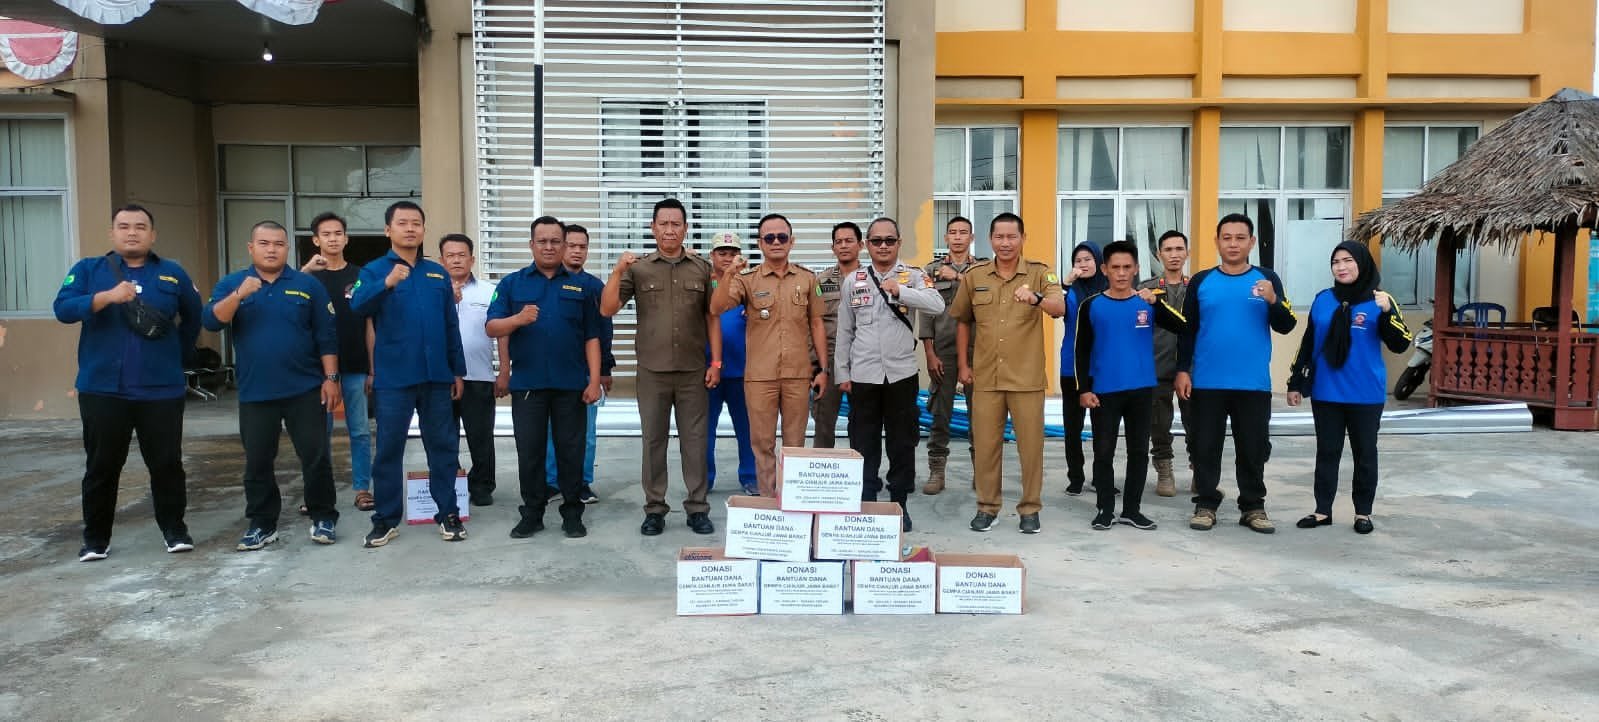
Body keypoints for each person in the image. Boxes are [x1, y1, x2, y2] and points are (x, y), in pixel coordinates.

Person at [54, 204, 202, 562]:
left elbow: (194, 316)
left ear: (153, 234)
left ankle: (175, 531)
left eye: (140, 226)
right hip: (103, 390)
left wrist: (175, 358)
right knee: (102, 467)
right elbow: (63, 309)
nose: (132, 232)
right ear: (112, 233)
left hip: (161, 391)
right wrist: (106, 297)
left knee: (166, 465)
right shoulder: (89, 270)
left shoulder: (172, 273)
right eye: (124, 226)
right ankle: (95, 540)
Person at [203, 221, 342, 549]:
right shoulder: (233, 283)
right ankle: (263, 523)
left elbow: (326, 335)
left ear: (287, 249)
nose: (271, 249)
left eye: (278, 244)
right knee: (258, 461)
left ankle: (323, 516)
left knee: (315, 456)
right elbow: (211, 320)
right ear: (251, 248)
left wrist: (331, 378)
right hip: (256, 392)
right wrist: (239, 295)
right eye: (264, 243)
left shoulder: (307, 285)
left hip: (305, 389)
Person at [350, 201, 469, 547]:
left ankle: (448, 514)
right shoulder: (374, 270)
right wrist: (386, 283)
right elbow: (357, 305)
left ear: (424, 230)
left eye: (416, 223)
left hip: (436, 378)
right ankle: (385, 519)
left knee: (443, 448)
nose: (410, 229)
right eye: (402, 223)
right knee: (389, 449)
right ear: (388, 230)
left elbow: (450, 326)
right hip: (394, 379)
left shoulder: (436, 274)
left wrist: (457, 371)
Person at [602, 198, 720, 537]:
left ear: (686, 228)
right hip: (652, 372)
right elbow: (607, 309)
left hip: (692, 371)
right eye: (663, 223)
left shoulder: (701, 268)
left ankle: (697, 508)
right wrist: (617, 271)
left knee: (695, 442)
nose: (670, 229)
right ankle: (654, 509)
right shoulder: (638, 269)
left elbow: (712, 316)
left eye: (676, 224)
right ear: (653, 228)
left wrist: (716, 361)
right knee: (654, 441)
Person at [1177, 213, 1297, 534]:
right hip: (1207, 381)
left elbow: (1286, 325)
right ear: (1217, 242)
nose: (1233, 244)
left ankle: (1253, 506)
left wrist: (1273, 300)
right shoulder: (1202, 281)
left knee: (1253, 448)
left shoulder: (1266, 279)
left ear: (1252, 242)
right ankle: (1206, 503)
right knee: (1205, 446)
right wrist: (1182, 370)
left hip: (1252, 383)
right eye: (1226, 238)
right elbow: (1187, 330)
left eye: (1240, 238)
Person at [487, 216, 604, 539]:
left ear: (564, 246)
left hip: (571, 385)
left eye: (555, 241)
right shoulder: (512, 284)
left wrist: (594, 380)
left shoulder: (582, 286)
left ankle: (572, 513)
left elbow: (592, 337)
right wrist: (517, 319)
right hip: (529, 385)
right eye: (543, 241)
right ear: (531, 245)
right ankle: (532, 513)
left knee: (571, 452)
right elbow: (492, 327)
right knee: (530, 453)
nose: (549, 247)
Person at [950, 213, 1064, 534]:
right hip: (986, 378)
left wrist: (1036, 298)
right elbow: (962, 320)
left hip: (1026, 378)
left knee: (1031, 448)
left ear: (1023, 239)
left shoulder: (1040, 273)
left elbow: (1059, 308)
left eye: (1012, 237)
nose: (1005, 243)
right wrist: (963, 366)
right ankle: (987, 507)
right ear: (990, 240)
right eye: (999, 237)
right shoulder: (975, 276)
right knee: (986, 447)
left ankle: (1030, 508)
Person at [1288, 241, 1411, 535]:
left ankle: (1362, 513)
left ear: (1362, 263)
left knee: (1365, 453)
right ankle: (1322, 511)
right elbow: (1308, 343)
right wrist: (1295, 382)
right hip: (1326, 391)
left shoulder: (1380, 300)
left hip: (1365, 393)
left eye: (1348, 261)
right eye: (1336, 262)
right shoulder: (1323, 299)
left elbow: (1401, 343)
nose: (1341, 267)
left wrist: (1387, 313)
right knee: (1327, 452)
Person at [834, 217, 943, 531]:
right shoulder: (853, 280)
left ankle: (899, 503)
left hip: (901, 375)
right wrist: (842, 372)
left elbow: (937, 304)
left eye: (889, 241)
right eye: (877, 241)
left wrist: (902, 292)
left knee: (902, 442)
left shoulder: (914, 275)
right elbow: (845, 331)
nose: (883, 246)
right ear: (867, 245)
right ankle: (867, 501)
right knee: (863, 442)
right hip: (863, 375)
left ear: (899, 243)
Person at [710, 213, 829, 498]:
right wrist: (730, 273)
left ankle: (792, 502)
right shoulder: (747, 280)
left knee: (795, 444)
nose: (776, 242)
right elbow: (716, 307)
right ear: (760, 243)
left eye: (782, 237)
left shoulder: (808, 279)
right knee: (762, 443)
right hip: (760, 377)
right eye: (770, 237)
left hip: (797, 375)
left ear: (791, 241)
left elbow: (816, 324)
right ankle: (767, 501)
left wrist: (823, 370)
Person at [1074, 241, 1187, 531]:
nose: (1122, 273)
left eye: (1127, 267)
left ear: (1136, 269)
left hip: (1142, 389)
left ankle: (1132, 510)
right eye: (1116, 267)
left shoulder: (1147, 302)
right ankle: (1104, 509)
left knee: (1138, 452)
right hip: (1104, 391)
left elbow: (1182, 326)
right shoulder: (1092, 305)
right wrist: (1084, 389)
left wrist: (1157, 303)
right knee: (1103, 452)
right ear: (1105, 269)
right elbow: (1081, 351)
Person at [300, 212, 376, 512]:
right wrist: (306, 269)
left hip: (356, 366)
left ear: (346, 238)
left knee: (360, 431)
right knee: (320, 435)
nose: (332, 239)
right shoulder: (308, 278)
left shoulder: (361, 276)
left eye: (338, 233)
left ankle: (362, 489)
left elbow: (369, 324)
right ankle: (319, 493)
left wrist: (373, 368)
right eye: (326, 234)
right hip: (318, 370)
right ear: (316, 240)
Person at [543, 223, 614, 504]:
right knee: (551, 432)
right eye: (571, 245)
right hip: (552, 371)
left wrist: (604, 370)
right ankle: (552, 482)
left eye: (582, 247)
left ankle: (582, 482)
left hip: (587, 373)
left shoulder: (594, 287)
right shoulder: (546, 282)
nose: (576, 251)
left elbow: (604, 330)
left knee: (586, 433)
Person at [917, 216, 987, 495]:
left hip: (978, 351)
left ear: (971, 238)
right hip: (944, 350)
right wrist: (929, 353)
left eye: (963, 232)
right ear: (945, 238)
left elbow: (986, 297)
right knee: (939, 413)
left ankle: (981, 472)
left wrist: (958, 277)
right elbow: (926, 314)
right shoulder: (931, 270)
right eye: (952, 233)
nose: (958, 237)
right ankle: (937, 471)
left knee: (980, 414)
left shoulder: (983, 269)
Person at [440, 233, 509, 507]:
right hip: (441, 377)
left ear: (472, 259)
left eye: (461, 255)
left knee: (481, 437)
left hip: (479, 375)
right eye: (450, 255)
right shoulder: (433, 292)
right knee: (443, 437)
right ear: (442, 260)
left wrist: (504, 371)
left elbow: (502, 332)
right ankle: (453, 484)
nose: (456, 260)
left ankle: (482, 486)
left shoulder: (490, 291)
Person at [1138, 230, 1192, 498]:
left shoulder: (1196, 288)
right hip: (1156, 366)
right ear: (1159, 254)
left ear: (1187, 253)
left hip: (1191, 369)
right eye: (1168, 250)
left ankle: (1200, 470)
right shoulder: (1147, 289)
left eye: (1179, 249)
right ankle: (1164, 470)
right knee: (1159, 424)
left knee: (1198, 422)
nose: (1174, 255)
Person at [705, 231, 758, 496]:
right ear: (712, 255)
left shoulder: (748, 283)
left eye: (732, 253)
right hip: (708, 370)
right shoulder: (703, 282)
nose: (727, 258)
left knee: (747, 430)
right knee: (704, 431)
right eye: (722, 253)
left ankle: (750, 476)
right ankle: (704, 479)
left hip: (742, 370)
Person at [1059, 241, 1107, 496]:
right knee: (1072, 428)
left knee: (1103, 428)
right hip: (1072, 368)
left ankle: (1101, 478)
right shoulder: (1070, 292)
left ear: (1099, 262)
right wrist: (1065, 285)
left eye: (1088, 259)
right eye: (1078, 260)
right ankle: (1075, 477)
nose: (1083, 264)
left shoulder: (1109, 290)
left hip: (1102, 368)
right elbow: (1057, 311)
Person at [811, 222, 863, 448]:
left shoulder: (871, 279)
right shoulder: (821, 281)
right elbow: (813, 324)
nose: (843, 246)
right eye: (838, 242)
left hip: (863, 359)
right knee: (823, 422)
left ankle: (862, 468)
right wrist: (816, 365)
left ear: (861, 245)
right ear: (832, 247)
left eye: (849, 241)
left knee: (862, 423)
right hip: (829, 360)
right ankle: (822, 467)